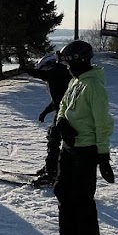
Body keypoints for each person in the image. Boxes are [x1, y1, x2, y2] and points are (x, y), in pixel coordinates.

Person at [38, 38, 115, 235]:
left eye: (69, 62)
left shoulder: (93, 87)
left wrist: (103, 157)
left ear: (80, 61)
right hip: (69, 149)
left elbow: (104, 124)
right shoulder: (76, 81)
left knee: (83, 200)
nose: (67, 67)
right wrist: (62, 122)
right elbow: (62, 106)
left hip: (87, 150)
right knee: (63, 191)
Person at [29, 52, 72, 185]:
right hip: (64, 112)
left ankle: (51, 173)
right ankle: (52, 167)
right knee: (54, 139)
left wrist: (26, 70)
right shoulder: (61, 75)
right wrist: (45, 112)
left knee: (54, 140)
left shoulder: (58, 74)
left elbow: (42, 75)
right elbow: (57, 100)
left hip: (66, 114)